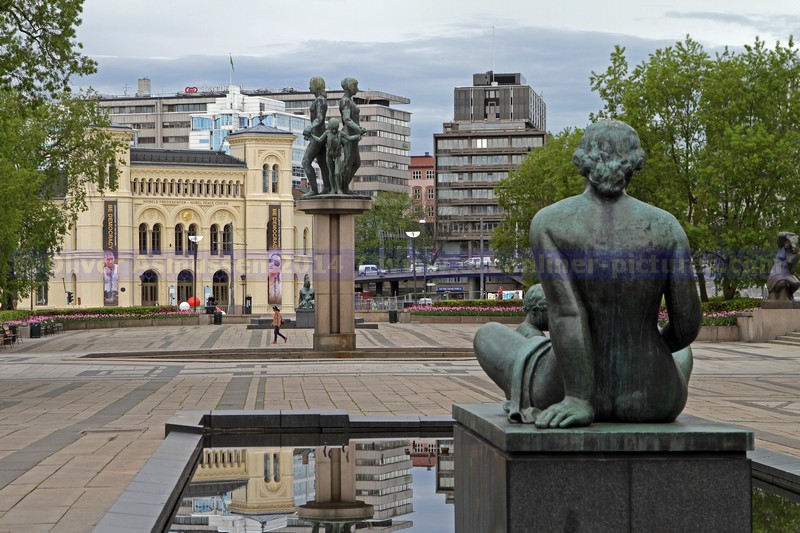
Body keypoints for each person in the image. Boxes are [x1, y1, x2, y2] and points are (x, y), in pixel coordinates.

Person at [476, 120, 701, 429]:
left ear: (582, 162)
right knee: (680, 353)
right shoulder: (667, 226)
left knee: (487, 334)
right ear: (635, 164)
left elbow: (568, 314)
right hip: (656, 396)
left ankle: (546, 356)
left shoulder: (550, 223)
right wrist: (650, 351)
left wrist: (579, 398)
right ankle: (658, 363)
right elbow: (687, 326)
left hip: (564, 389)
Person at [310, 118, 364, 195]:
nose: (334, 130)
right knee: (331, 173)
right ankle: (332, 189)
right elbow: (319, 139)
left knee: (337, 173)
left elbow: (349, 138)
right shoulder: (327, 133)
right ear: (330, 127)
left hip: (338, 155)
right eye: (333, 129)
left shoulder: (340, 134)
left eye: (335, 129)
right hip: (329, 155)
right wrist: (311, 135)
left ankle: (338, 189)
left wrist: (358, 135)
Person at [338, 77, 367, 194]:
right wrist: (358, 128)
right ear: (350, 86)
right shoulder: (345, 101)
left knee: (356, 163)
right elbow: (347, 119)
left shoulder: (350, 101)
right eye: (356, 85)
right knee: (348, 163)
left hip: (353, 136)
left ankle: (344, 186)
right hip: (348, 135)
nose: (357, 88)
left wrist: (357, 130)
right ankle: (342, 188)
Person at [301, 76, 330, 195]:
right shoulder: (320, 100)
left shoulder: (320, 100)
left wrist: (309, 128)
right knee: (323, 163)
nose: (309, 87)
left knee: (306, 162)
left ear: (316, 86)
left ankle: (314, 190)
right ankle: (328, 188)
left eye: (310, 84)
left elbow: (319, 118)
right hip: (320, 134)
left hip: (318, 136)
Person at [766, 232, 800, 301]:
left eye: (788, 242)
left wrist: (796, 277)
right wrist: (789, 235)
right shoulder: (781, 249)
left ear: (792, 245)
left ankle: (789, 295)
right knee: (782, 282)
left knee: (796, 283)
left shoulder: (796, 255)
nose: (786, 244)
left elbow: (792, 270)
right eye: (786, 242)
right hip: (776, 273)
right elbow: (779, 235)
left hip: (787, 274)